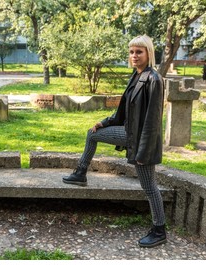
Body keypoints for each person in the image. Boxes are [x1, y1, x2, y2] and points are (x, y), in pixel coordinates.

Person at [62, 35, 167, 248]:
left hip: (140, 141)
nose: (134, 56)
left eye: (139, 52)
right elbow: (124, 111)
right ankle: (81, 173)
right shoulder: (136, 75)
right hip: (128, 133)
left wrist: (142, 153)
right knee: (92, 134)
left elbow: (153, 121)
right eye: (131, 52)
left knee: (149, 187)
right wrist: (104, 122)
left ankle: (159, 230)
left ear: (149, 53)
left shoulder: (153, 79)